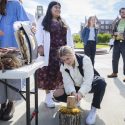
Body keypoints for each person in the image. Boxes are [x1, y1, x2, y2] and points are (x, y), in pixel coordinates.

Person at [35, 1, 74, 108]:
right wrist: (40, 45)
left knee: (60, 75)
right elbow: (38, 33)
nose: (58, 9)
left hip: (61, 53)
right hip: (49, 52)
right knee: (47, 74)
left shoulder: (63, 21)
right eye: (55, 7)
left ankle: (52, 95)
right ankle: (48, 96)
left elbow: (69, 37)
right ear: (50, 8)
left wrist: (70, 50)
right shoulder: (44, 19)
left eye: (59, 7)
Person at [56, 46, 106, 125]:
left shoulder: (85, 60)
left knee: (101, 83)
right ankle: (76, 101)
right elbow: (68, 82)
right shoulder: (63, 65)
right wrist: (73, 93)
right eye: (63, 60)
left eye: (68, 58)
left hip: (90, 83)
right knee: (56, 94)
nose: (66, 62)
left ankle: (93, 109)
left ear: (73, 53)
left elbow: (88, 80)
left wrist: (80, 93)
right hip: (76, 85)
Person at [0, 0, 29, 120]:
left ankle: (11, 103)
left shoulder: (15, 4)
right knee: (0, 77)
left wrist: (13, 26)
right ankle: (2, 103)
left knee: (12, 77)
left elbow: (26, 22)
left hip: (12, 48)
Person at [107, 8, 125, 82]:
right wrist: (113, 34)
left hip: (124, 43)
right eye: (122, 12)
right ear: (120, 13)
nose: (124, 13)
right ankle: (114, 72)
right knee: (114, 59)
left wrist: (122, 35)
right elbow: (113, 31)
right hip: (116, 42)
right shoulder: (117, 21)